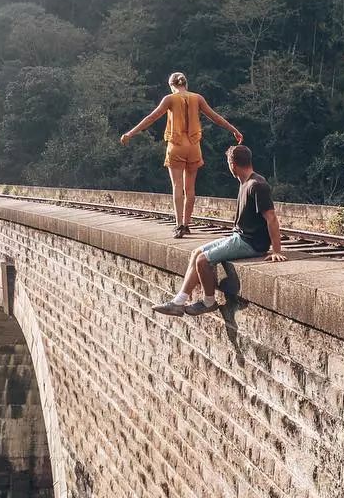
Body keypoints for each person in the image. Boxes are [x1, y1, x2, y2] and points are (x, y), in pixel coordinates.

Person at [152, 145, 287, 316]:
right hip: (239, 237)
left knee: (203, 261)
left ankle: (209, 302)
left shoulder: (257, 185)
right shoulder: (245, 182)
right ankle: (178, 302)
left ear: (232, 164)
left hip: (250, 243)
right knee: (196, 253)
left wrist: (276, 250)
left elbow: (272, 218)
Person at [120, 72, 242, 238]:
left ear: (171, 85)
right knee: (190, 188)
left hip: (176, 146)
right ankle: (186, 224)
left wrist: (130, 133)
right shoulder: (197, 98)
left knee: (177, 187)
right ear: (186, 84)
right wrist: (233, 130)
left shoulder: (169, 99)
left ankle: (178, 226)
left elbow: (152, 117)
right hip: (193, 147)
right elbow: (215, 117)